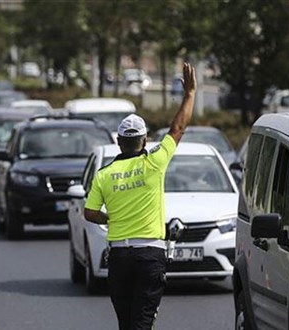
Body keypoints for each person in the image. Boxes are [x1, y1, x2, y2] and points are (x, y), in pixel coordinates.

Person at [83, 62, 196, 330]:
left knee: (126, 323)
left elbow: (89, 212)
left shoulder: (104, 174)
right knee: (142, 323)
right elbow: (178, 128)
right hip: (150, 256)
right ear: (144, 141)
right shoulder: (155, 162)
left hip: (120, 258)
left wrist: (109, 218)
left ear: (119, 142)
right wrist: (189, 94)